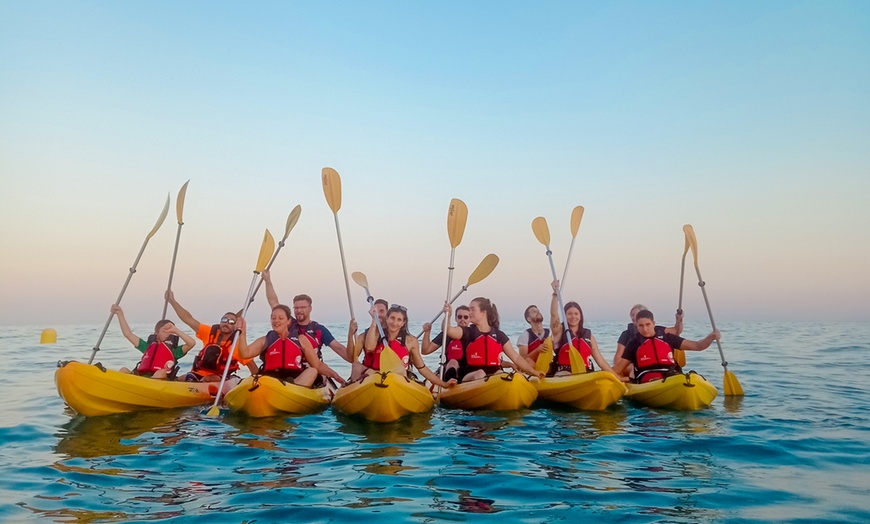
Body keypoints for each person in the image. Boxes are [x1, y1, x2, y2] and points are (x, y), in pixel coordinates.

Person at [234, 305, 345, 386]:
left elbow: (317, 365)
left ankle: (292, 387)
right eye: (273, 318)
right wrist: (242, 333)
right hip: (271, 379)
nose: (276, 321)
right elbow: (245, 354)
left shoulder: (301, 339)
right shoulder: (266, 340)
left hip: (295, 380)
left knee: (312, 371)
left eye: (280, 318)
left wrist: (334, 375)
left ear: (288, 321)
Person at [263, 270, 355, 367]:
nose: (299, 310)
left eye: (303, 307)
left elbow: (347, 356)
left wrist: (350, 335)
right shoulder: (289, 324)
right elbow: (274, 303)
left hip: (314, 369)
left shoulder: (319, 330)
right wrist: (267, 280)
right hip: (294, 368)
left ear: (310, 308)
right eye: (296, 308)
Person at [443, 297, 545, 383]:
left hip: (493, 373)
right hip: (470, 375)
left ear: (483, 312)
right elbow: (447, 330)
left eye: (472, 309)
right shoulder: (466, 332)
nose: (469, 313)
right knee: (480, 374)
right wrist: (448, 315)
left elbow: (516, 358)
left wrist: (534, 372)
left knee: (501, 374)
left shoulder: (499, 335)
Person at [165, 290, 259, 382]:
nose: (226, 323)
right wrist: (173, 302)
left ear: (235, 326)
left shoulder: (236, 346)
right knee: (183, 378)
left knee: (206, 379)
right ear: (220, 322)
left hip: (220, 379)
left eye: (231, 322)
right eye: (224, 320)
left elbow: (252, 366)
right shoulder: (209, 333)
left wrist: (256, 383)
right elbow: (188, 319)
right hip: (198, 374)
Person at [358, 304, 457, 389]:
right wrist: (374, 320)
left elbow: (421, 368)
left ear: (403, 323)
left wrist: (443, 384)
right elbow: (369, 348)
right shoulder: (376, 334)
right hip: (376, 376)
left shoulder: (410, 341)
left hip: (399, 379)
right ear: (387, 318)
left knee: (402, 373)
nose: (394, 323)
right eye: (392, 318)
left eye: (399, 320)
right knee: (370, 371)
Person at [611, 309, 720, 383]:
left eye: (648, 324)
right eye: (641, 326)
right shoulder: (634, 343)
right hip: (648, 380)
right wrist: (605, 374)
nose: (645, 329)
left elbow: (698, 346)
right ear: (637, 326)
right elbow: (618, 368)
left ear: (654, 323)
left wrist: (710, 337)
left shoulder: (668, 338)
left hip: (671, 376)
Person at [549, 280, 618, 378]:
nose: (573, 317)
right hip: (564, 373)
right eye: (569, 314)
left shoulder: (588, 335)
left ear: (580, 316)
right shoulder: (559, 331)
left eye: (576, 314)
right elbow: (554, 315)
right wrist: (555, 295)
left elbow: (601, 362)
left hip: (585, 374)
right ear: (564, 316)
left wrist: (617, 378)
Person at [112, 305, 195, 380]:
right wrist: (120, 314)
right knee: (123, 370)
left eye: (171, 331)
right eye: (165, 330)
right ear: (156, 333)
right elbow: (128, 334)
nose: (169, 333)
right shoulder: (148, 347)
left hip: (160, 380)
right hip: (142, 378)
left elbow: (191, 343)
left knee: (161, 372)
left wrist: (176, 330)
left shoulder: (174, 351)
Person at [613, 303, 683, 366]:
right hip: (633, 367)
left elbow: (676, 331)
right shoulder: (626, 334)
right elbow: (617, 359)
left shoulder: (658, 331)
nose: (634, 317)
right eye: (632, 315)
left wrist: (679, 319)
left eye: (637, 314)